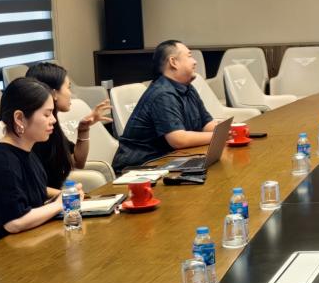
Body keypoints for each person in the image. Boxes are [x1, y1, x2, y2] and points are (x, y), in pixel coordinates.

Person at [0, 77, 63, 250]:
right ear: (19, 118)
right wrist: (60, 204)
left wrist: (65, 193)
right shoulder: (2, 161)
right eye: (47, 114)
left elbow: (29, 188)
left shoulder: (27, 151)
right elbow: (14, 222)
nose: (53, 120)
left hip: (26, 245)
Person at [112, 39, 222, 172]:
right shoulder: (162, 93)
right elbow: (178, 140)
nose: (195, 61)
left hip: (168, 160)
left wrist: (230, 131)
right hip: (140, 168)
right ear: (173, 62)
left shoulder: (187, 87)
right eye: (189, 56)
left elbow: (206, 124)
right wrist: (220, 137)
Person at [26, 61, 113, 194]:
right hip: (45, 202)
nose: (71, 94)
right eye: (68, 88)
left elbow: (78, 162)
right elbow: (32, 187)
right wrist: (65, 195)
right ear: (54, 94)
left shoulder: (52, 126)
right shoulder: (34, 132)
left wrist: (83, 129)